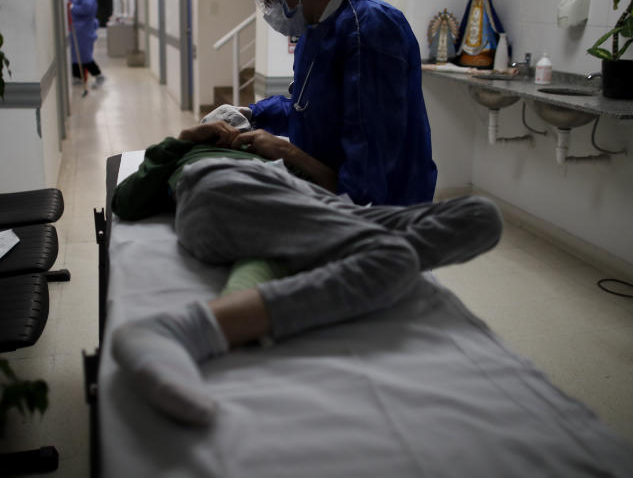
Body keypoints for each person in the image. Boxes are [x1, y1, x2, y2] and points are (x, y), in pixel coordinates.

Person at [111, 120, 503, 426]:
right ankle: (181, 329)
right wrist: (183, 140)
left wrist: (288, 152)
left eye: (236, 127)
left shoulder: (273, 156)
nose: (228, 129)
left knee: (481, 217)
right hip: (226, 188)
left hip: (310, 203)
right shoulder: (191, 156)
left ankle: (314, 257)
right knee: (394, 258)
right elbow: (126, 202)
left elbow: (338, 189)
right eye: (218, 125)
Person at [245, 0, 437, 206]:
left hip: (385, 207)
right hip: (333, 194)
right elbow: (307, 111)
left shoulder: (370, 30)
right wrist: (250, 116)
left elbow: (371, 156)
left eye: (268, 0)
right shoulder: (315, 29)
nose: (268, 11)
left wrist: (287, 153)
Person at [455, 0, 504, 68]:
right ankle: (469, 53)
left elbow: (490, 10)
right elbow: (469, 9)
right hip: (474, 17)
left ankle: (484, 52)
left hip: (483, 18)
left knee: (485, 30)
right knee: (471, 30)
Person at [68, 0, 105, 88]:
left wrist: (72, 8)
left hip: (84, 31)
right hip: (77, 30)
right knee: (75, 55)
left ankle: (98, 75)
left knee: (84, 56)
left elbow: (86, 9)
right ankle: (78, 78)